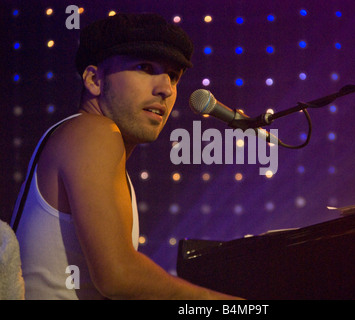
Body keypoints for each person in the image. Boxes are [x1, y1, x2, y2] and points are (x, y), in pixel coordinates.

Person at [10, 12, 242, 300]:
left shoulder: (93, 141)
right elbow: (119, 276)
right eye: (145, 67)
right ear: (94, 79)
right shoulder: (93, 131)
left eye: (173, 76)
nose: (166, 89)